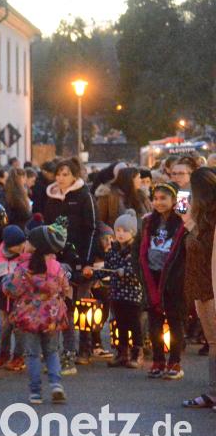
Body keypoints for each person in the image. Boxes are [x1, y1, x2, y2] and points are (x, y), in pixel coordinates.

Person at [2, 221, 72, 405]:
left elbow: (12, 290)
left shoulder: (24, 268)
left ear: (34, 245)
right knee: (52, 351)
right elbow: (65, 288)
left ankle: (35, 393)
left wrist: (5, 281)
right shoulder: (57, 267)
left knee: (32, 355)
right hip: (52, 317)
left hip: (29, 318)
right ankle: (56, 385)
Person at [43, 157, 96, 374]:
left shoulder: (84, 196)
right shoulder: (51, 196)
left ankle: (84, 347)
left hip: (79, 258)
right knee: (60, 306)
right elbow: (46, 227)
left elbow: (91, 228)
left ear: (74, 175)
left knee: (81, 305)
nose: (61, 178)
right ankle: (59, 352)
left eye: (65, 174)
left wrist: (87, 261)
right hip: (57, 259)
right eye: (58, 174)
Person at [138, 182, 187, 380]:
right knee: (154, 323)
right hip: (152, 276)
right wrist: (140, 272)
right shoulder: (148, 222)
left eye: (164, 198)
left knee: (175, 321)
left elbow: (185, 251)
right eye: (155, 198)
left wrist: (184, 208)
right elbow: (138, 249)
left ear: (174, 200)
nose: (159, 202)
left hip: (173, 279)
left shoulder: (182, 221)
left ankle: (174, 362)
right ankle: (158, 360)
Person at [181, 167, 216, 409]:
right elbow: (186, 227)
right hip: (201, 287)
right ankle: (213, 392)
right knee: (213, 343)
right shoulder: (200, 218)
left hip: (212, 287)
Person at [93, 210, 143, 369]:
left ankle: (137, 353)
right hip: (116, 293)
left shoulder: (136, 250)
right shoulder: (112, 250)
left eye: (125, 231)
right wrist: (94, 274)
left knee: (134, 324)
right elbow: (108, 269)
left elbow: (138, 271)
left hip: (133, 294)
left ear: (133, 232)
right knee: (120, 323)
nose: (120, 234)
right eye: (118, 230)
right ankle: (122, 353)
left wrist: (125, 272)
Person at [0, 225, 29, 372]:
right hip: (4, 299)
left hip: (20, 299)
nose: (21, 247)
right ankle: (4, 354)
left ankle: (19, 356)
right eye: (18, 245)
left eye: (22, 243)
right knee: (5, 327)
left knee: (20, 329)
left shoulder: (26, 255)